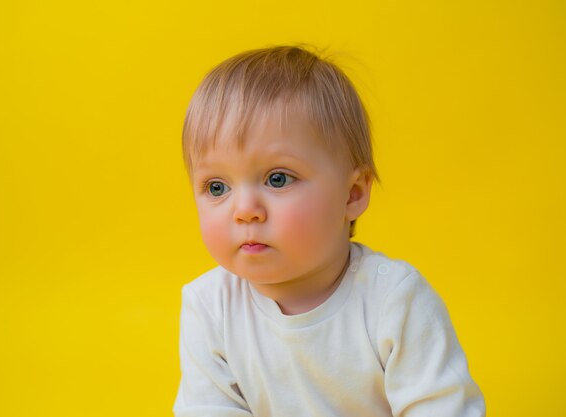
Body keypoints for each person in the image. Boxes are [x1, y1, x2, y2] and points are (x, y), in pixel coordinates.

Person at [173, 45, 485, 417]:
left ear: (352, 194)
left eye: (277, 178)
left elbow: (442, 408)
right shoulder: (210, 305)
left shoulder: (393, 301)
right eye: (217, 187)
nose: (244, 211)